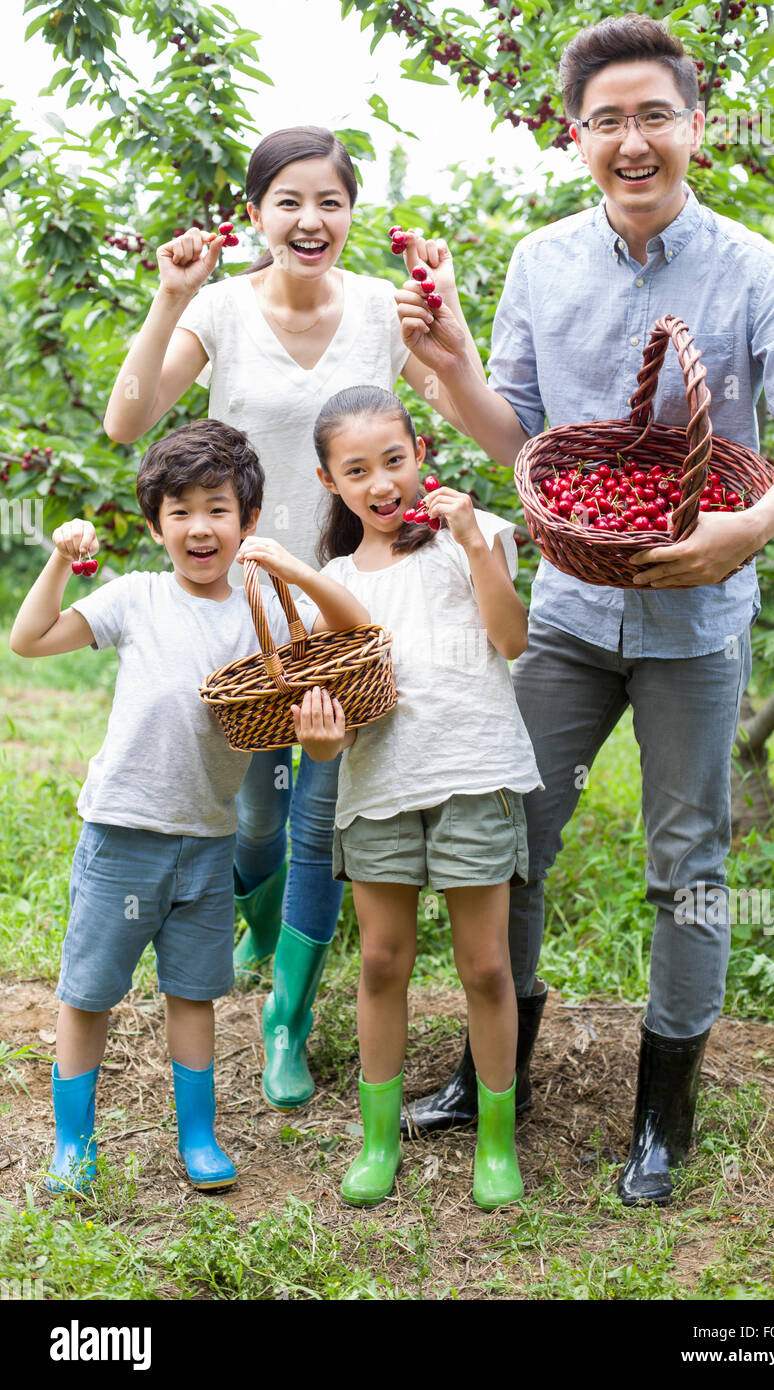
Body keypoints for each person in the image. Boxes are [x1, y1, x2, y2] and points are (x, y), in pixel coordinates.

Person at [393, 13, 774, 1204]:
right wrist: (448, 368)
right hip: (561, 609)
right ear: (575, 136)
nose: (632, 140)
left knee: (689, 866)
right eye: (607, 120)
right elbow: (523, 441)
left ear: (695, 127)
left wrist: (747, 529)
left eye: (655, 114)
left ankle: (666, 1107)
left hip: (695, 628)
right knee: (511, 838)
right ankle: (491, 1069)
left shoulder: (750, 266)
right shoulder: (543, 261)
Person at [103, 126, 484, 1112]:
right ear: (257, 214)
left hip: (343, 609)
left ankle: (286, 1018)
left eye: (330, 201)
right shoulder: (223, 309)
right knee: (253, 812)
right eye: (288, 201)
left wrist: (448, 315)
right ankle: (263, 930)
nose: (310, 220)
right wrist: (170, 296)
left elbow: (476, 407)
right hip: (235, 601)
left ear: (351, 212)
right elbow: (126, 420)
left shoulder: (378, 308)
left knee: (318, 813)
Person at [8, 419, 368, 1194]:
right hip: (123, 834)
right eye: (180, 511)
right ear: (155, 525)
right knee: (90, 990)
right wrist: (59, 562)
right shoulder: (136, 598)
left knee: (196, 990)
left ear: (248, 521)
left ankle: (198, 1137)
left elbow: (354, 634)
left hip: (209, 839)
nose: (200, 526)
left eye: (217, 508)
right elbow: (31, 641)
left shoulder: (262, 607)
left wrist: (295, 574)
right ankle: (75, 1142)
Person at [288, 385, 542, 1208]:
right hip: (380, 789)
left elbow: (511, 639)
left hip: (476, 775)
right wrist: (320, 743)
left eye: (393, 460)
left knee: (487, 967)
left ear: (420, 456)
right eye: (356, 469)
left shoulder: (480, 536)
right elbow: (336, 722)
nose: (380, 482)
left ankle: (496, 1144)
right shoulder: (329, 581)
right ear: (330, 482)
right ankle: (377, 1139)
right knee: (382, 961)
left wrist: (472, 543)